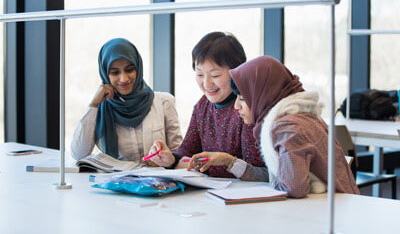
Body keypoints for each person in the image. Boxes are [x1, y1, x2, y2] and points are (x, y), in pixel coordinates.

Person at [229, 56, 360, 198]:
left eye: (243, 98)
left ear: (263, 94)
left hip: (333, 213)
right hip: (336, 206)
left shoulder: (287, 127)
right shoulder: (299, 116)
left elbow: (294, 188)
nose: (236, 106)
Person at [148, 32, 267, 180]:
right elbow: (187, 150)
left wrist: (202, 167)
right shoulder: (202, 105)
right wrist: (170, 159)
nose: (206, 84)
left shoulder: (246, 108)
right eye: (199, 75)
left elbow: (256, 171)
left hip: (243, 194)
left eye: (215, 75)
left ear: (237, 71)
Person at [71, 38, 182, 164]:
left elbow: (179, 153)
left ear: (138, 68)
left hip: (157, 182)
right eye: (115, 72)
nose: (123, 79)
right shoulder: (100, 109)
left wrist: (168, 159)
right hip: (115, 182)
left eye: (129, 70)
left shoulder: (164, 101)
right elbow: (78, 154)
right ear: (105, 74)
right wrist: (94, 105)